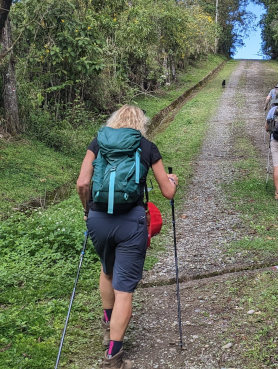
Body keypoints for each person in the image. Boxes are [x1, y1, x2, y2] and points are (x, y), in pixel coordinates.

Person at [76, 105, 178, 368]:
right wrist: (173, 181)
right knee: (124, 291)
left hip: (98, 219)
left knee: (107, 270)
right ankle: (113, 355)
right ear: (140, 123)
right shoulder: (146, 147)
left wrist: (87, 211)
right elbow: (167, 192)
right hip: (131, 221)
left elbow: (82, 183)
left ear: (115, 120)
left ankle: (107, 324)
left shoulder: (98, 142)